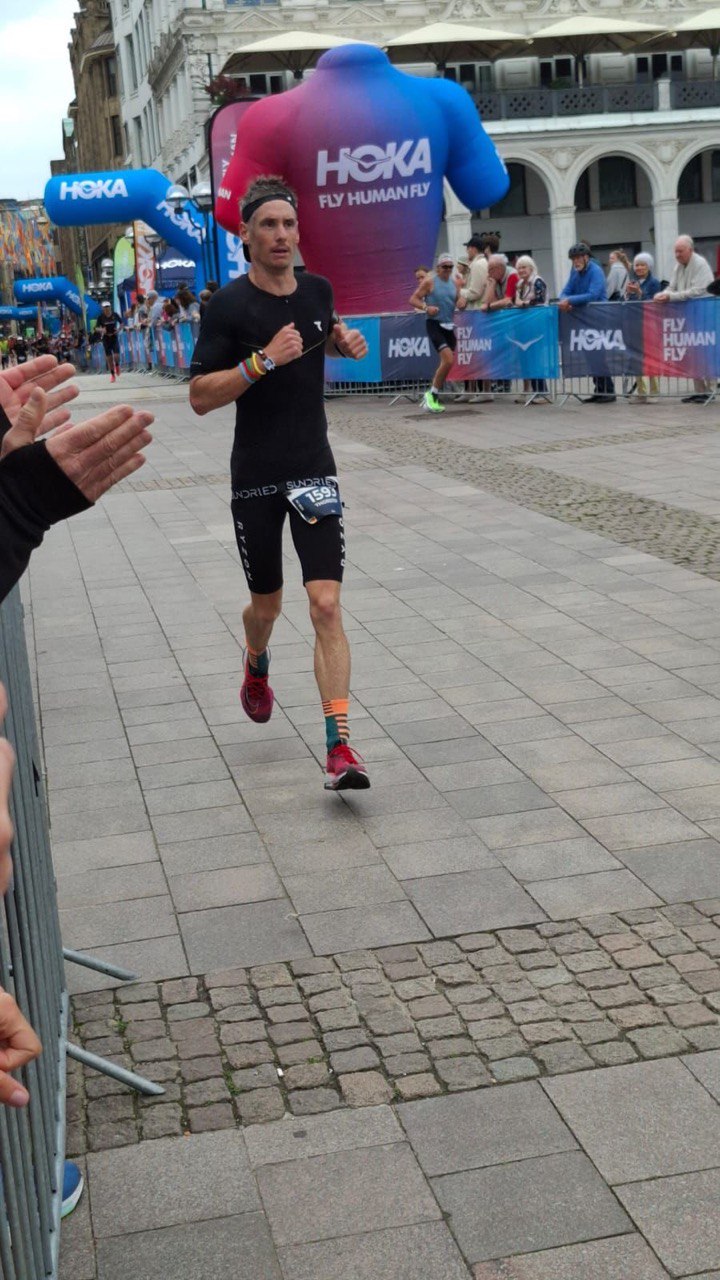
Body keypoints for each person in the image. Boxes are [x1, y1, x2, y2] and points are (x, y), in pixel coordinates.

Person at [189, 175, 371, 791]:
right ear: (245, 235)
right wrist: (261, 360)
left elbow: (324, 341)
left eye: (289, 224)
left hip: (313, 467)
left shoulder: (318, 290)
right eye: (268, 225)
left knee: (325, 604)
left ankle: (339, 747)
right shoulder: (228, 306)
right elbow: (199, 396)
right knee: (267, 606)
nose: (281, 235)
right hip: (257, 477)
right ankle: (256, 659)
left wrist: (344, 344)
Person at [655, 235, 715, 403]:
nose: (677, 255)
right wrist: (662, 294)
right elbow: (672, 287)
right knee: (693, 354)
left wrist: (671, 297)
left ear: (690, 250)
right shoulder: (678, 266)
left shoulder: (700, 264)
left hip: (704, 315)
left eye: (680, 251)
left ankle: (710, 390)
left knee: (705, 353)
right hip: (689, 315)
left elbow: (697, 291)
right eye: (676, 251)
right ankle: (699, 390)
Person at [558, 241, 615, 403]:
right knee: (590, 355)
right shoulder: (575, 272)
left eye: (578, 258)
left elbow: (593, 294)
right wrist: (564, 299)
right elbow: (566, 290)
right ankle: (599, 390)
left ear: (586, 257)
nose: (575, 262)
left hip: (599, 317)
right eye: (573, 259)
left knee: (599, 355)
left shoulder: (595, 271)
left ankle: (608, 391)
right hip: (585, 318)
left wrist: (570, 300)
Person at [409, 252, 459, 414]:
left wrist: (462, 302)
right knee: (448, 359)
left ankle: (432, 395)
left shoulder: (454, 283)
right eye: (445, 267)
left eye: (450, 267)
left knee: (447, 363)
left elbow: (458, 301)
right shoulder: (430, 282)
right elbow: (413, 299)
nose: (447, 269)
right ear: (438, 268)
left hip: (449, 326)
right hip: (434, 324)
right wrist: (426, 308)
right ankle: (432, 395)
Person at [625, 253, 662, 402]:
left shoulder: (654, 283)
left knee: (651, 357)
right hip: (634, 324)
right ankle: (642, 392)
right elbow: (625, 302)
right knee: (636, 358)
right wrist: (627, 294)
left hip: (649, 325)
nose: (639, 268)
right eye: (637, 265)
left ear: (649, 267)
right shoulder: (632, 281)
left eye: (642, 265)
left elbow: (654, 302)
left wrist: (639, 293)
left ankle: (654, 392)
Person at [513, 255, 550, 403]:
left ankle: (542, 392)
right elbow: (515, 300)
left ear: (531, 268)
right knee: (526, 358)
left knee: (536, 358)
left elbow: (540, 300)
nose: (521, 270)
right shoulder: (520, 284)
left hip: (537, 324)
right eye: (519, 268)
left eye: (524, 267)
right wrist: (520, 303)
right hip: (525, 325)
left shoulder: (538, 281)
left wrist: (523, 303)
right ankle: (531, 391)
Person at [97, 301, 122, 382]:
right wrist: (101, 330)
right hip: (106, 338)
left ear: (110, 307)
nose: (106, 309)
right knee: (109, 358)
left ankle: (117, 366)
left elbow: (122, 323)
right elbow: (96, 328)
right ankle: (112, 375)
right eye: (105, 307)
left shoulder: (115, 315)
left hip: (114, 337)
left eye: (108, 307)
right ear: (102, 308)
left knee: (116, 356)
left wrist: (118, 330)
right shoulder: (101, 317)